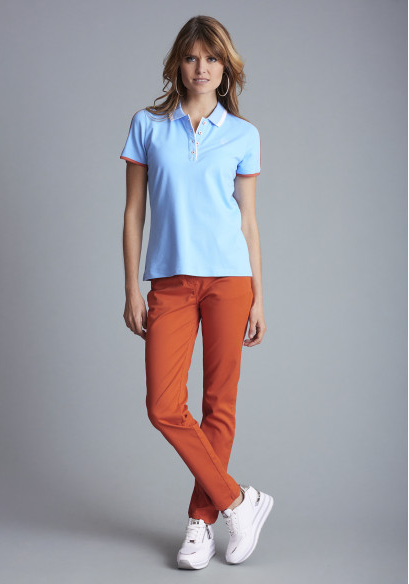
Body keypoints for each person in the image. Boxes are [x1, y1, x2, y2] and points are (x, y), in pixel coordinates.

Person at [120, 15, 274, 569]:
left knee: (218, 403)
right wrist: (132, 288)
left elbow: (248, 222)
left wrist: (259, 296)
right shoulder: (147, 126)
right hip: (170, 282)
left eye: (212, 59)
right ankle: (239, 500)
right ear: (177, 65)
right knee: (164, 406)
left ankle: (200, 523)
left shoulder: (243, 135)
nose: (201, 68)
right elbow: (133, 213)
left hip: (230, 280)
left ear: (225, 68)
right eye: (191, 57)